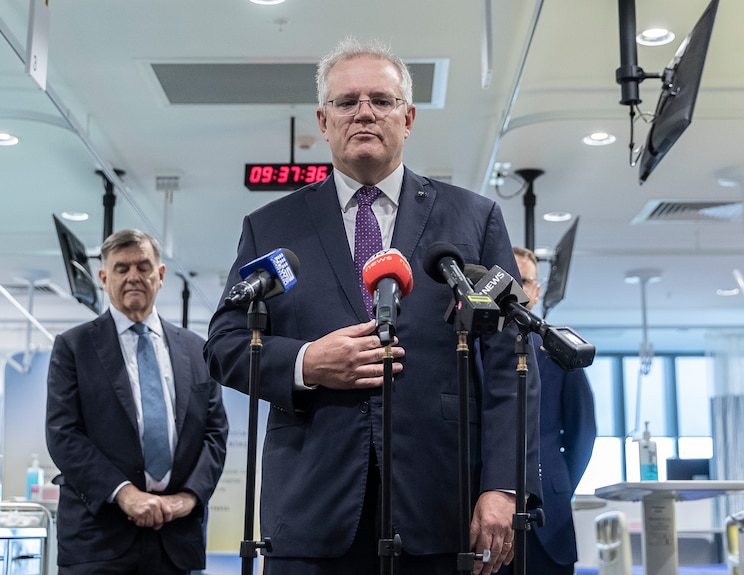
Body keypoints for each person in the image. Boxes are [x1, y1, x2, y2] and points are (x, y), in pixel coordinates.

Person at [204, 37, 541, 575]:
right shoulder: (272, 227)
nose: (364, 112)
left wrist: (503, 488)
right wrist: (307, 362)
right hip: (312, 508)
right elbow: (223, 344)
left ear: (407, 118)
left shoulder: (473, 220)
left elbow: (510, 366)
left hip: (442, 507)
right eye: (346, 102)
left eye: (381, 101)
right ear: (323, 119)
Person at [46, 229, 229, 575]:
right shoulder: (74, 348)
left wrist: (186, 499)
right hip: (98, 539)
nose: (133, 276)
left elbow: (215, 434)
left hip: (176, 540)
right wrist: (125, 494)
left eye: (143, 266)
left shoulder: (196, 349)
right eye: (121, 268)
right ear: (103, 278)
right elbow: (63, 434)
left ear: (159, 276)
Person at [504, 246, 596, 575]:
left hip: (551, 512)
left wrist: (559, 482)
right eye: (509, 281)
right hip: (490, 518)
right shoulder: (477, 349)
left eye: (524, 281)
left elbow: (582, 432)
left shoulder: (561, 351)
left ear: (537, 291)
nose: (517, 290)